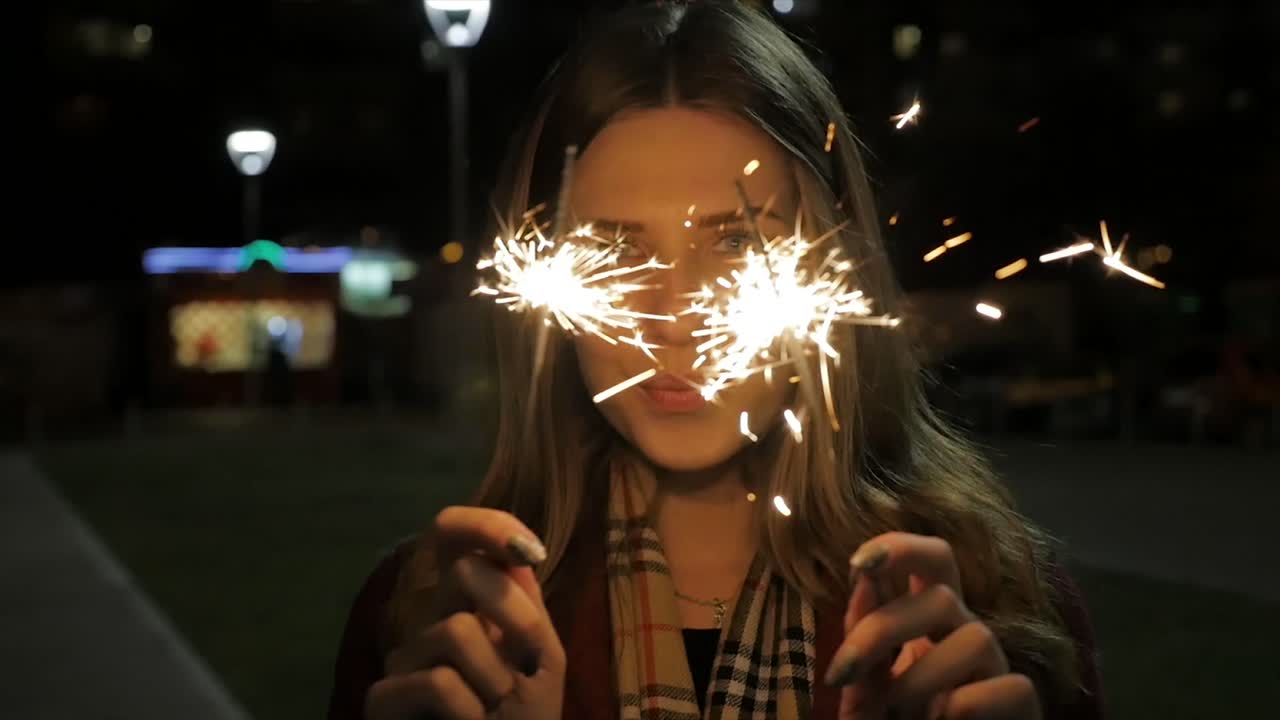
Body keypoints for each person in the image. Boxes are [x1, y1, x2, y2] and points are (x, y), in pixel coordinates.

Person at [329, 2, 1104, 718]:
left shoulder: (994, 613)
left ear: (837, 262)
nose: (674, 320)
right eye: (613, 252)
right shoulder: (433, 621)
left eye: (738, 243)